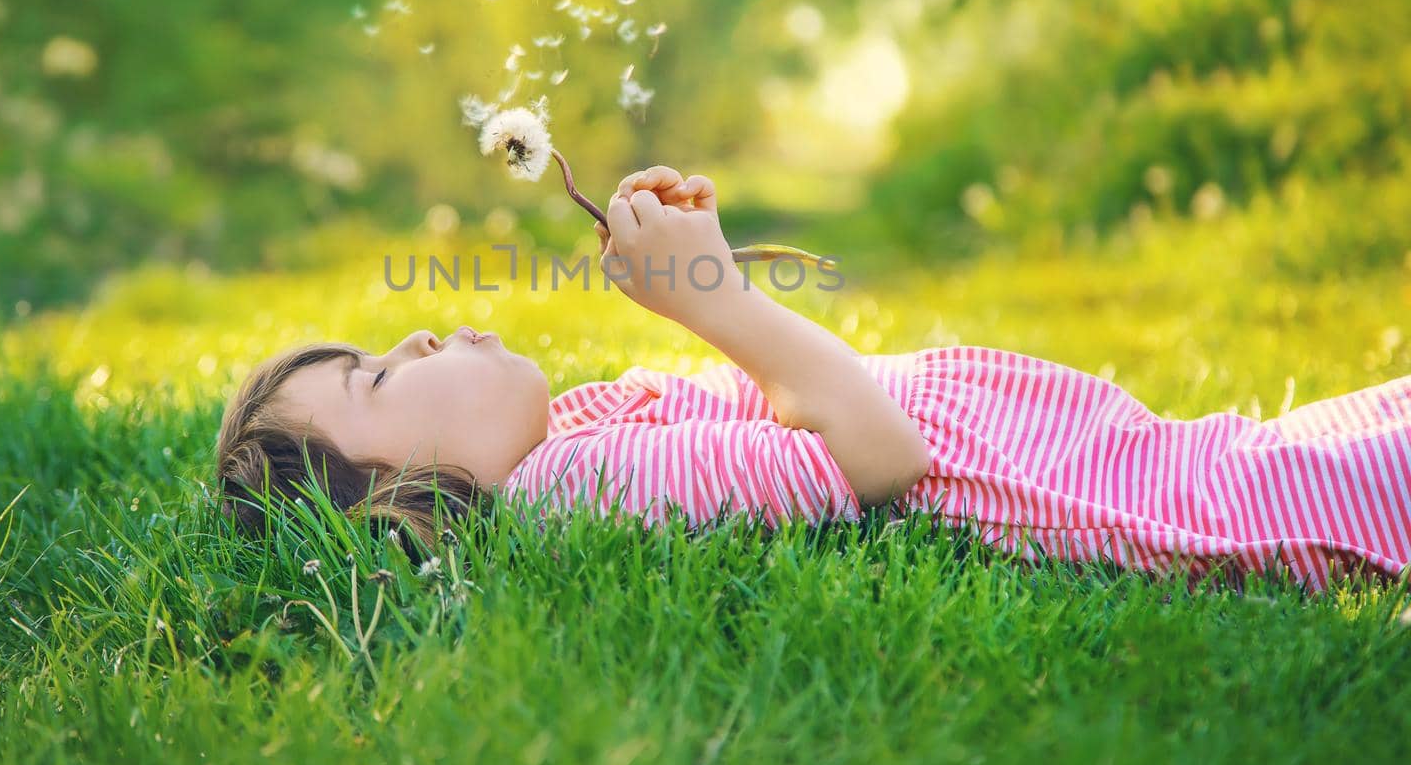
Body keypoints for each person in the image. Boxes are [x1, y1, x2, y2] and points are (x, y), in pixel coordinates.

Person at [215, 166, 1411, 592]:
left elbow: (770, 398)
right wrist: (713, 300)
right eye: (372, 378)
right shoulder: (576, 487)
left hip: (1159, 452)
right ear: (402, 500)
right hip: (1160, 509)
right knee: (1355, 474)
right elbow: (874, 458)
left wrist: (708, 266)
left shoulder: (569, 429)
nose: (416, 341)